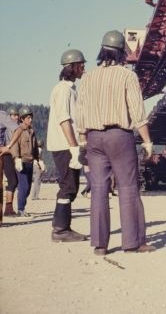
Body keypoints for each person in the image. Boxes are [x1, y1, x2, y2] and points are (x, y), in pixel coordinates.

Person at [75, 30, 155, 256]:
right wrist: (148, 141)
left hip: (93, 138)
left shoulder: (88, 77)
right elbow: (137, 113)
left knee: (99, 189)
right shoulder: (127, 76)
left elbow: (80, 114)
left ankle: (100, 245)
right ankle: (133, 243)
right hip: (119, 137)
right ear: (122, 53)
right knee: (128, 187)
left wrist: (82, 143)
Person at [47, 48, 87, 242]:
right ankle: (61, 230)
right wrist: (73, 148)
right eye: (81, 64)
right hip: (64, 145)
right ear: (72, 67)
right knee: (68, 186)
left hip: (66, 145)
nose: (84, 68)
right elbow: (64, 119)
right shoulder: (63, 89)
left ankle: (62, 227)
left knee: (70, 186)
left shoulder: (69, 88)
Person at [10, 106, 39, 217]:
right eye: (27, 117)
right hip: (21, 162)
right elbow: (14, 145)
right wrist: (16, 158)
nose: (30, 119)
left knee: (28, 189)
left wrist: (37, 159)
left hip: (30, 162)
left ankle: (22, 207)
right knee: (24, 186)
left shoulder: (32, 131)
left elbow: (35, 147)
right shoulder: (18, 131)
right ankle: (20, 209)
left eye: (31, 117)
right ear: (22, 119)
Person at [0, 107, 25, 224]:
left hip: (10, 155)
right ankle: (8, 209)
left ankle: (8, 209)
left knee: (14, 181)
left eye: (16, 115)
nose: (15, 117)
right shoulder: (6, 122)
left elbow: (19, 131)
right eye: (13, 115)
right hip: (7, 154)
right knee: (12, 181)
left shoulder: (4, 117)